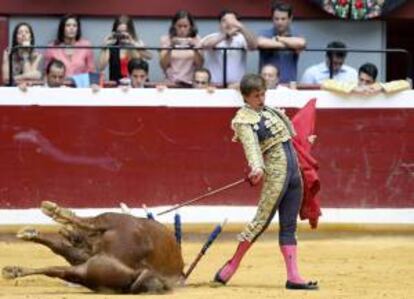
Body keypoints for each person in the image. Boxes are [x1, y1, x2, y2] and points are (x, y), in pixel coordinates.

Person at [213, 74, 318, 290]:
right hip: (276, 175)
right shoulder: (243, 120)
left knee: (289, 226)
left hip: (294, 175)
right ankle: (232, 265)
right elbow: (251, 146)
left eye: (263, 94)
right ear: (245, 97)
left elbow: (291, 140)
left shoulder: (271, 111)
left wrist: (306, 141)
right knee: (260, 222)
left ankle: (293, 276)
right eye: (256, 96)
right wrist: (257, 167)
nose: (261, 99)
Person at [201, 10, 257, 87]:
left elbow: (253, 46)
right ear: (219, 24)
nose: (228, 24)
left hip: (236, 86)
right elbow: (205, 45)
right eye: (224, 21)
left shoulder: (241, 38)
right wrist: (226, 35)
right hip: (215, 86)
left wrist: (242, 28)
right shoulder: (213, 37)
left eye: (232, 21)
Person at [257, 1, 306, 84]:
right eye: (276, 19)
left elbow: (301, 43)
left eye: (283, 19)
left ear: (290, 19)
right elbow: (260, 42)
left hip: (288, 85)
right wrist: (289, 45)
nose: (279, 22)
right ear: (272, 19)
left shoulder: (295, 35)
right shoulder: (265, 33)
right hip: (266, 84)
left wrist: (278, 39)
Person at [98, 15, 152, 83]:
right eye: (119, 32)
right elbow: (101, 67)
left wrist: (132, 43)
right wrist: (104, 46)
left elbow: (149, 56)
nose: (122, 35)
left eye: (125, 31)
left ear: (130, 31)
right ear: (115, 32)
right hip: (118, 84)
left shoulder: (137, 43)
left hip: (136, 84)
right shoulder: (112, 46)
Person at [159, 10, 203, 86]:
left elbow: (200, 65)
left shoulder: (196, 39)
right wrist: (171, 47)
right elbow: (163, 65)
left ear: (191, 27)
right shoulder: (166, 39)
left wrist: (194, 48)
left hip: (190, 82)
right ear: (174, 26)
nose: (182, 29)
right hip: (171, 82)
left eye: (185, 26)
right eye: (179, 26)